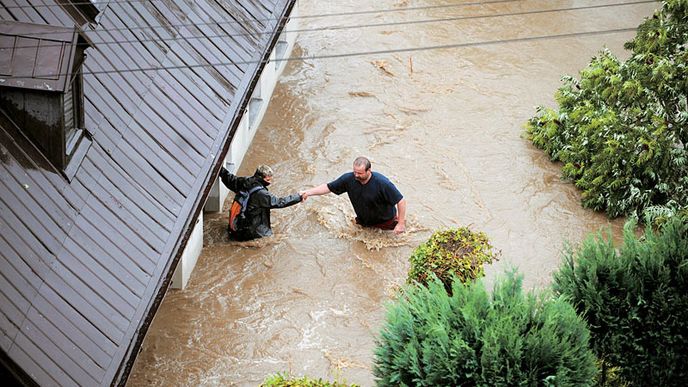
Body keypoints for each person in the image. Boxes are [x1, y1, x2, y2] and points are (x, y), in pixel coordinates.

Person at [301, 156, 406, 234]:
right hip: (364, 222)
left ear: (369, 170)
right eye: (355, 172)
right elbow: (328, 187)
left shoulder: (382, 183)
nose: (356, 175)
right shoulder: (348, 179)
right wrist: (308, 192)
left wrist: (400, 224)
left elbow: (401, 201)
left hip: (386, 223)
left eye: (360, 173)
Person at [220, 164, 302, 241]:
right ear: (261, 177)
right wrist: (299, 197)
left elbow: (230, 179)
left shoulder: (245, 181)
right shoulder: (262, 194)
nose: (270, 182)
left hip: (238, 224)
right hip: (252, 231)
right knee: (268, 241)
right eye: (268, 180)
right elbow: (280, 202)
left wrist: (220, 169)